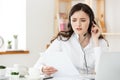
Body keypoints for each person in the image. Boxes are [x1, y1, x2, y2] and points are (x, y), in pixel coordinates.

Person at [34, 3, 108, 79]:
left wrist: (95, 41)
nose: (78, 24)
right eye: (74, 20)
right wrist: (43, 69)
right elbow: (37, 66)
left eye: (83, 20)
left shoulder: (100, 42)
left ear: (91, 22)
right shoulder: (62, 40)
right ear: (70, 21)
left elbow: (101, 71)